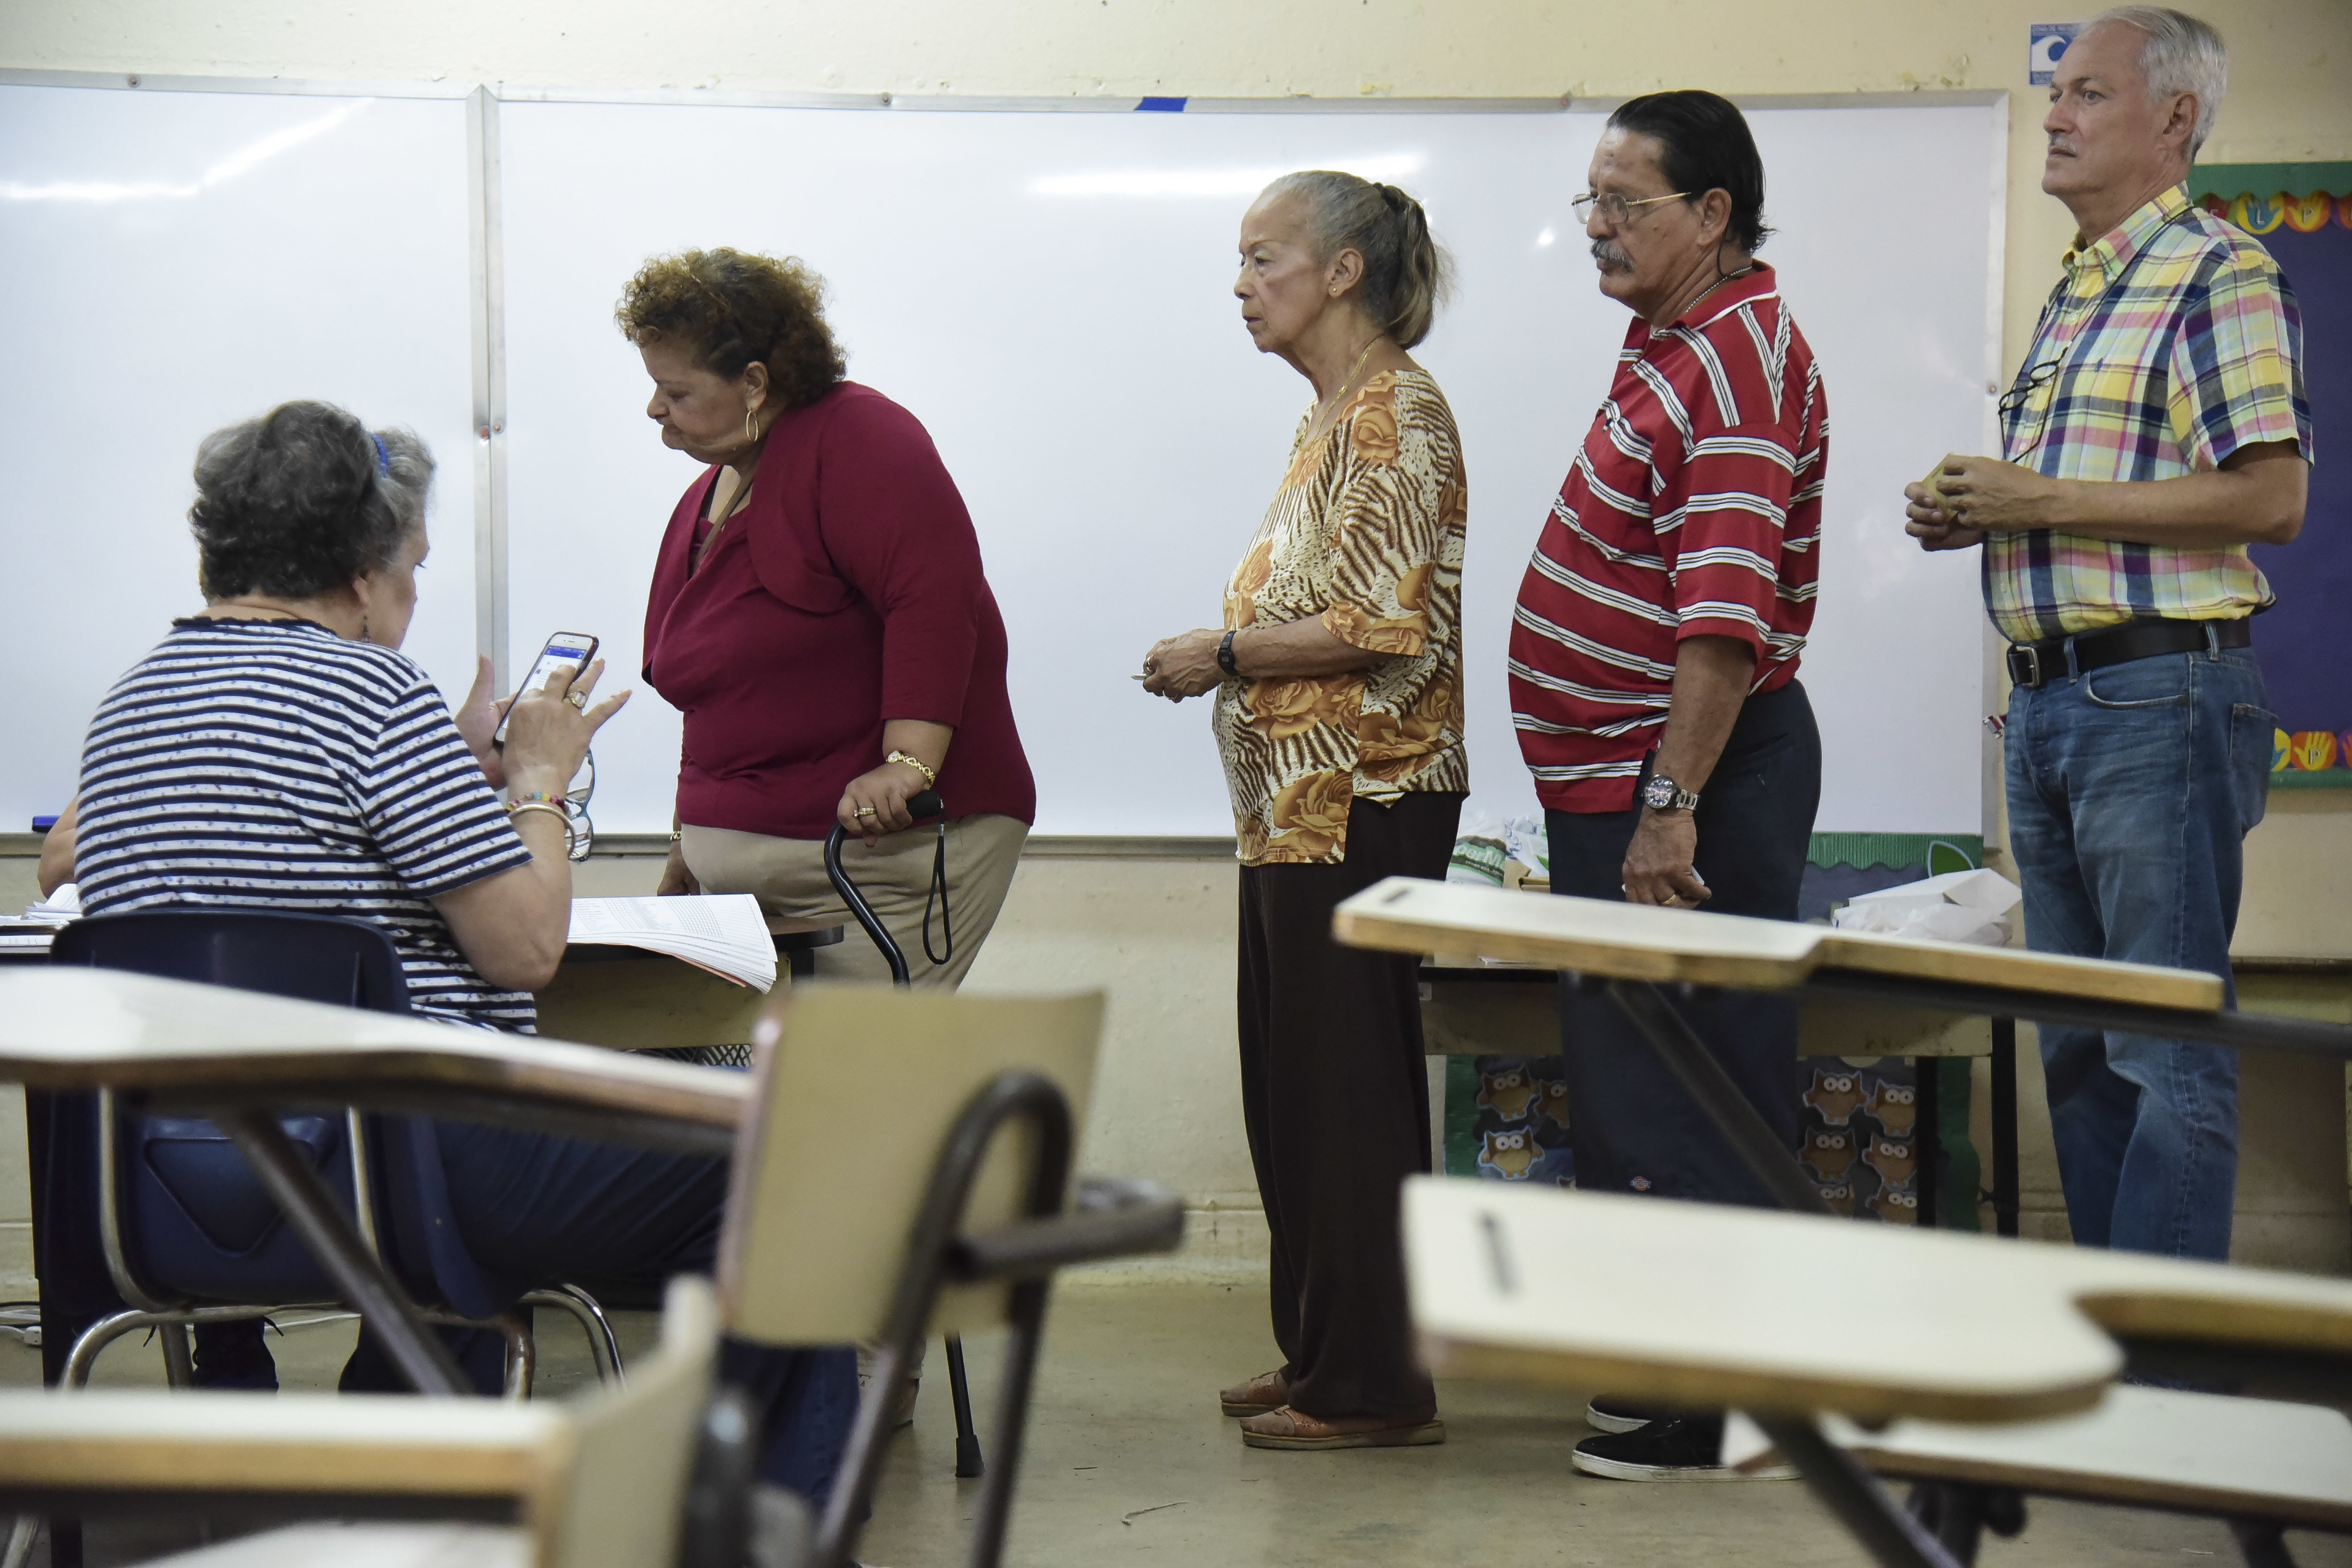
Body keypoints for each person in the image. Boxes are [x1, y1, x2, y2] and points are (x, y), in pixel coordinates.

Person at [45, 400, 855, 1500]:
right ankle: (772, 1538)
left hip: (169, 1186)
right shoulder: (378, 699)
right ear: (361, 571)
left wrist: (452, 773)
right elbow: (526, 949)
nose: (413, 598)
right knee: (798, 1173)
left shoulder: (130, 704)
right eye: (414, 569)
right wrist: (536, 785)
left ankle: (392, 1464)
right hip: (392, 1174)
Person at [1905, 8, 2307, 1263]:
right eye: (2056, 92)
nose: (2056, 115)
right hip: (2051, 704)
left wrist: (2042, 500)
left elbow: (2271, 497)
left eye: (2088, 93)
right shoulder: (2082, 284)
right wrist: (1979, 511)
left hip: (2156, 700)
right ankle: (2107, 1354)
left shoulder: (2216, 270)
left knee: (2160, 1044)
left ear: (2176, 121)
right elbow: (2086, 496)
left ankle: (2166, 1388)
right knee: (2077, 1042)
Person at [1506, 90, 1827, 1481]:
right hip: (1634, 777)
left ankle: (1710, 1407)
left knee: (1686, 1085)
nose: (1598, 230)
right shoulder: (1674, 340)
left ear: (1710, 215)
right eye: (1590, 202)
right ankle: (1677, 1384)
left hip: (1688, 780)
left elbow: (1721, 619)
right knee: (1639, 1079)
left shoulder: (1738, 362)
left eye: (1625, 205)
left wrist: (1666, 805)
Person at [1142, 171, 1466, 1452]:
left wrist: (1219, 654)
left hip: (1360, 800)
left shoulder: (1393, 415)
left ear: (1342, 273)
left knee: (1350, 1098)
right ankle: (1322, 1353)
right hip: (1297, 811)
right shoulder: (1335, 413)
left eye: (1263, 259)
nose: (1241, 285)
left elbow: (1381, 625)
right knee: (1298, 1095)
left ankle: (1377, 1385)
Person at [621, 248, 1035, 990]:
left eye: (674, 391)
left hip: (873, 867)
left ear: (754, 383)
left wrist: (908, 764)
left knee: (843, 1095)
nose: (655, 409)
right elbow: (720, 692)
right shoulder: (712, 494)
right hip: (757, 880)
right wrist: (691, 836)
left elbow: (934, 601)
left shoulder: (860, 439)